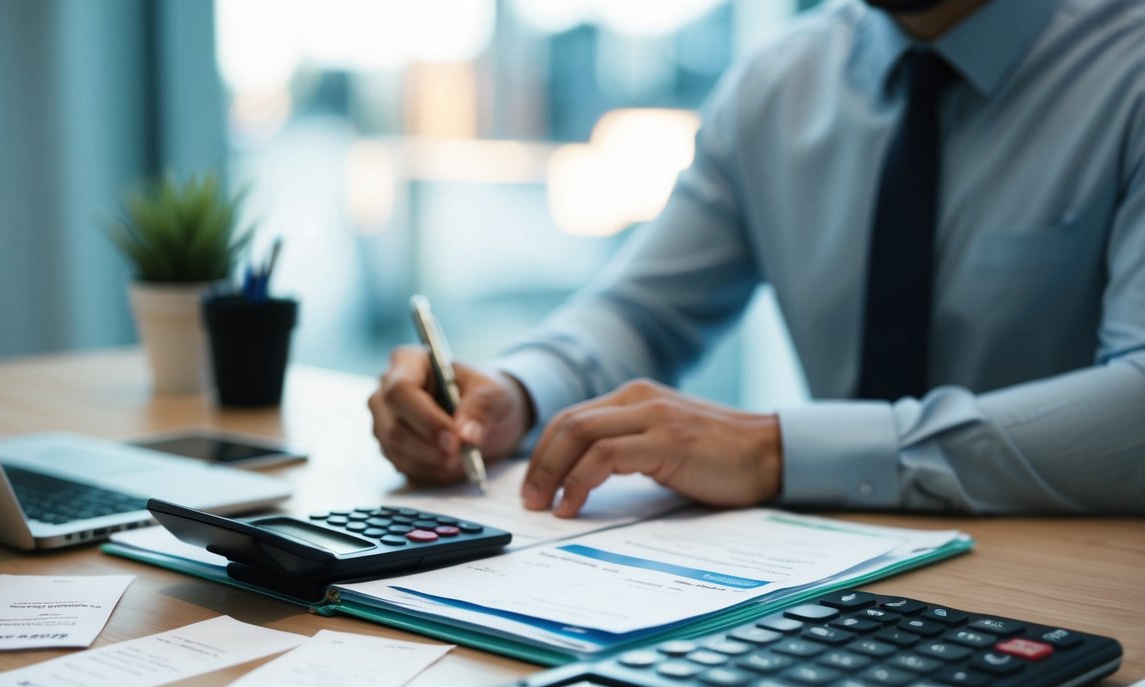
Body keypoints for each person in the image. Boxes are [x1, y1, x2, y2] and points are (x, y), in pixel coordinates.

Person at [369, 0, 1145, 517]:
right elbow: (644, 312)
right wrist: (515, 395)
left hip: (1074, 588)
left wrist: (777, 449)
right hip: (827, 569)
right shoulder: (779, 84)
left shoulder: (1128, 67)